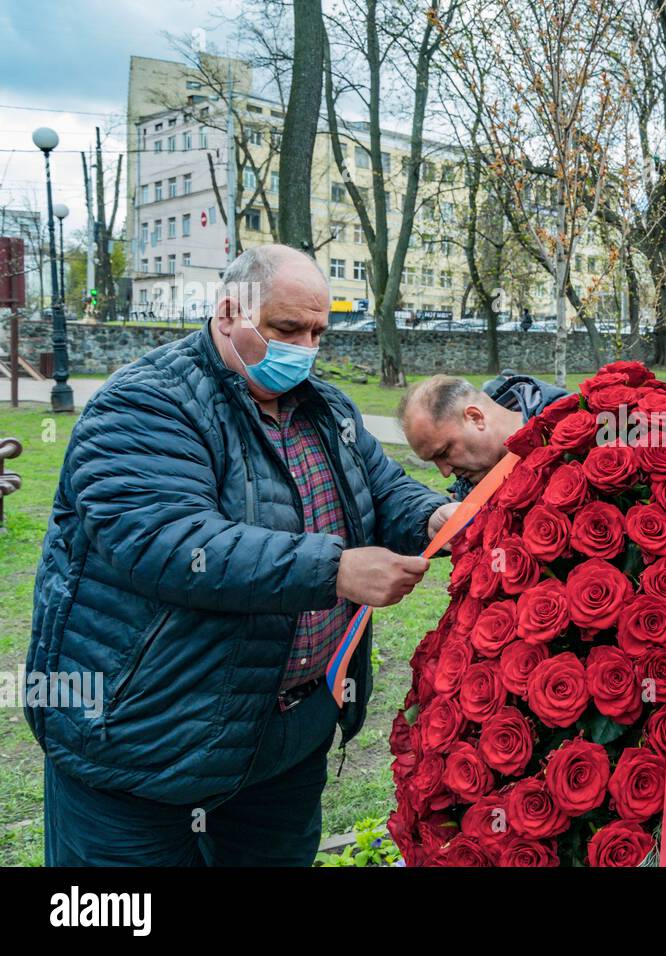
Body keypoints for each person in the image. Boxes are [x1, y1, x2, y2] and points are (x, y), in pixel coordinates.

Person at [27, 244, 448, 866]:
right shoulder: (146, 402)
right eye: (287, 329)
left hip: (283, 739)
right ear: (229, 312)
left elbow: (382, 489)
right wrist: (335, 570)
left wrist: (434, 516)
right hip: (148, 736)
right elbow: (168, 541)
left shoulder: (325, 407)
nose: (305, 347)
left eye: (317, 332)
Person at [398, 370, 568, 531]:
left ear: (475, 417)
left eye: (444, 452)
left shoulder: (578, 432)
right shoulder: (468, 488)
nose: (445, 472)